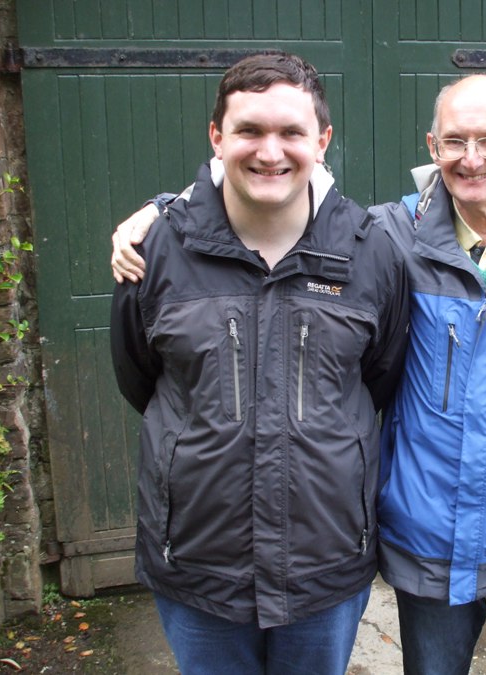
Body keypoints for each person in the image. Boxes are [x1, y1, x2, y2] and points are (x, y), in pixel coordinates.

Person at [111, 74, 486, 675]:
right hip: (428, 532)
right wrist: (162, 210)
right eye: (454, 141)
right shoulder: (389, 237)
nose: (471, 158)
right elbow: (280, 183)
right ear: (431, 147)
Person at [109, 52, 409, 675]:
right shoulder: (154, 248)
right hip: (197, 561)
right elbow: (139, 377)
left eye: (291, 132)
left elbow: (379, 380)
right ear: (218, 137)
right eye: (249, 130)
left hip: (324, 564)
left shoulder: (371, 253)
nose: (270, 151)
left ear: (322, 141)